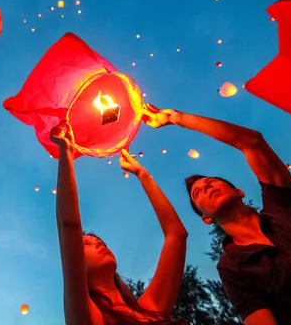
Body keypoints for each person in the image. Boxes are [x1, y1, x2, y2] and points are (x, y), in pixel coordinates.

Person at [141, 104, 291, 325]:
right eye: (198, 193)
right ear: (205, 218)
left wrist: (177, 118)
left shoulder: (285, 205)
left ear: (239, 192)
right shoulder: (231, 268)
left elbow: (253, 143)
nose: (207, 187)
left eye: (212, 182)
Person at [50, 119, 189, 325]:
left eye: (100, 242)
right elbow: (68, 226)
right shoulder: (88, 318)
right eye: (85, 244)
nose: (98, 243)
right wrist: (66, 151)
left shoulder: (151, 311)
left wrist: (141, 174)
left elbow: (177, 235)